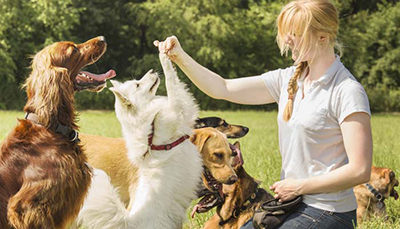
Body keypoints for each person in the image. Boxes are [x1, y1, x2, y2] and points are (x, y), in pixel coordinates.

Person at [154, 0, 372, 228]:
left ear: (322, 37)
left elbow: (360, 170)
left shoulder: (347, 91)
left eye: (295, 33)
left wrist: (300, 186)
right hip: (290, 204)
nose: (287, 40)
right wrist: (179, 56)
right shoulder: (288, 79)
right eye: (286, 33)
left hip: (329, 211)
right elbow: (222, 88)